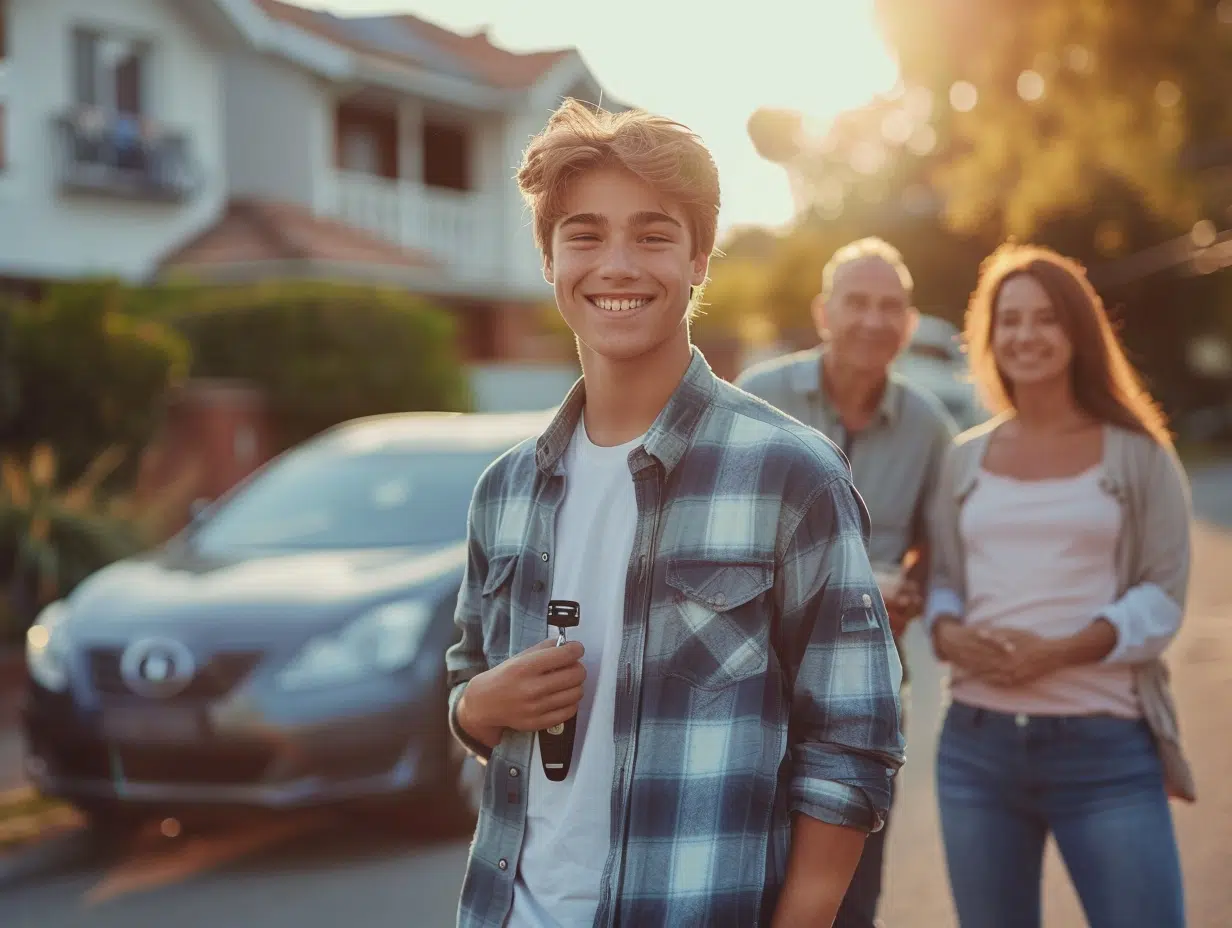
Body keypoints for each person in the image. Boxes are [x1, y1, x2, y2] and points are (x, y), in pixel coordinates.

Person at [444, 99, 905, 928]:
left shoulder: (790, 475)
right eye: (584, 235)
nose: (617, 264)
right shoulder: (503, 493)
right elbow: (466, 686)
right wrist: (478, 708)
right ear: (549, 259)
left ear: (698, 259)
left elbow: (853, 744)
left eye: (653, 235)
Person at [925, 243, 1193, 928]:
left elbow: (1162, 597)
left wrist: (1060, 651)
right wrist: (952, 635)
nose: (1025, 335)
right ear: (990, 337)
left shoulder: (1139, 455)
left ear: (1079, 331)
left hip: (1104, 750)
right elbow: (945, 582)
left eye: (1045, 318)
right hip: (976, 750)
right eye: (1009, 320)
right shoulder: (965, 459)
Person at [735, 236, 957, 928]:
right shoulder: (758, 399)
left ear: (910, 325)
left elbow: (941, 547)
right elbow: (723, 542)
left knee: (851, 899)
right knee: (745, 883)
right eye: (856, 302)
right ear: (823, 312)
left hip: (867, 695)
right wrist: (848, 589)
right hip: (755, 687)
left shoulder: (928, 426)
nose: (872, 319)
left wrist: (912, 590)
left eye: (889, 306)